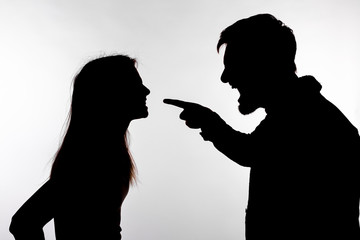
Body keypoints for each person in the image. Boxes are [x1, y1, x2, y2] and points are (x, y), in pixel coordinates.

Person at [164, 14, 360, 239]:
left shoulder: (308, 117)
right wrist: (210, 123)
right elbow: (254, 150)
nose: (225, 78)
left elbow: (251, 151)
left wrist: (210, 123)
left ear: (265, 64)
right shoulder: (300, 114)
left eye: (234, 66)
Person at [10, 55, 150, 240]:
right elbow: (23, 222)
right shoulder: (88, 160)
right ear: (110, 93)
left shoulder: (110, 154)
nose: (146, 91)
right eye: (135, 84)